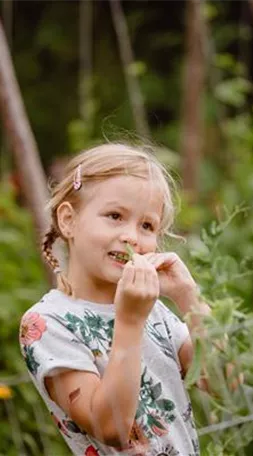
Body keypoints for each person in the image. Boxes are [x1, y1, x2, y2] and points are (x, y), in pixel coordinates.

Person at [19, 143, 211, 456]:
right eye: (114, 216)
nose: (132, 237)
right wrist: (130, 320)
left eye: (147, 225)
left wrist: (188, 296)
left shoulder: (155, 311)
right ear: (68, 220)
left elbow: (225, 383)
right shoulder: (46, 323)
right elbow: (113, 429)